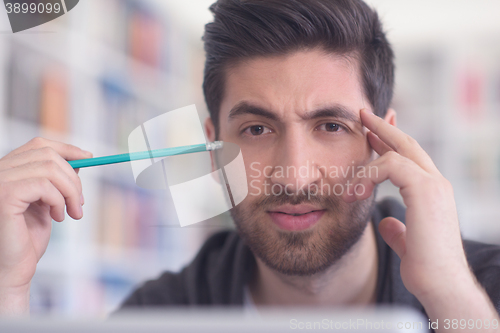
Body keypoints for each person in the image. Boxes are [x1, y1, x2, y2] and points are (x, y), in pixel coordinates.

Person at [0, 0, 499, 332]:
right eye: (257, 129)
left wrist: (449, 296)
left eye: (330, 126)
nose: (294, 175)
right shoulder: (163, 314)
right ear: (212, 147)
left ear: (384, 142)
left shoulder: (483, 290)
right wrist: (7, 285)